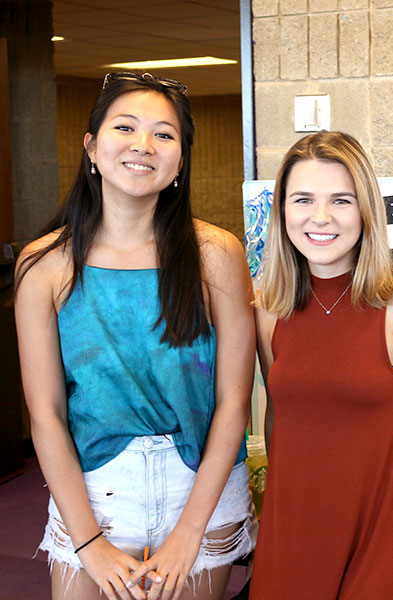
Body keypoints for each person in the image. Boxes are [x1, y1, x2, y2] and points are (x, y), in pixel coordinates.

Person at [14, 72, 257, 600]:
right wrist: (89, 541)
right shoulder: (45, 265)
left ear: (180, 161)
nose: (143, 145)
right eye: (125, 127)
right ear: (92, 148)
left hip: (201, 490)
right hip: (96, 493)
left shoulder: (216, 254)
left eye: (164, 134)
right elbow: (46, 413)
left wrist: (189, 532)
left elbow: (234, 403)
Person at [248, 131, 393, 599]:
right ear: (282, 211)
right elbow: (279, 416)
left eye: (341, 200)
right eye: (303, 200)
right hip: (293, 526)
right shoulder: (269, 305)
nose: (321, 218)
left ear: (366, 211)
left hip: (385, 528)